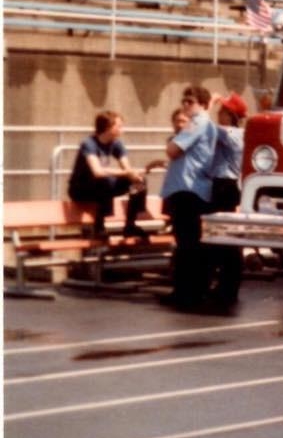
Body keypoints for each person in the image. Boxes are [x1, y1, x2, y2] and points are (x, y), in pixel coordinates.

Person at [160, 86, 218, 304]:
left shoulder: (196, 123)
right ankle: (195, 289)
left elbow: (172, 150)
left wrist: (172, 143)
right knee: (193, 243)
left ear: (202, 104)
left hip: (187, 189)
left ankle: (185, 292)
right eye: (184, 101)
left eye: (190, 102)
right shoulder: (207, 123)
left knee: (186, 244)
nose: (185, 106)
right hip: (195, 189)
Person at [68, 111, 147, 238]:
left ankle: (130, 225)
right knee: (104, 181)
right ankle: (99, 227)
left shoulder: (116, 143)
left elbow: (127, 169)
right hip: (80, 189)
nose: (123, 130)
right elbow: (97, 172)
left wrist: (136, 177)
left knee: (138, 182)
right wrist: (126, 172)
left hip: (101, 188)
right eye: (119, 126)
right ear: (108, 127)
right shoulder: (89, 144)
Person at [210, 92, 247, 212]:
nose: (218, 113)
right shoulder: (240, 133)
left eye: (222, 111)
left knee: (218, 224)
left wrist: (210, 102)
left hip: (223, 185)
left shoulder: (229, 133)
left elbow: (203, 124)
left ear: (230, 116)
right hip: (227, 185)